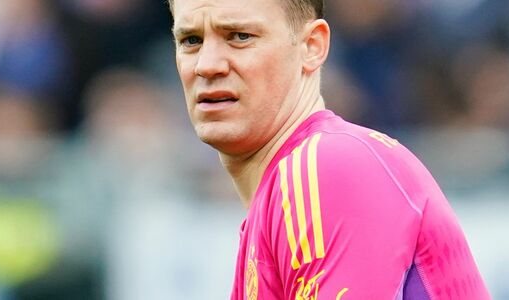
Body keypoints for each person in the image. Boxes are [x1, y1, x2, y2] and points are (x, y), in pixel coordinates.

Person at [167, 0, 491, 299]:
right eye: (191, 41)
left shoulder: (326, 165)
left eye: (240, 36)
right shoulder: (274, 204)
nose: (207, 66)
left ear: (312, 46)